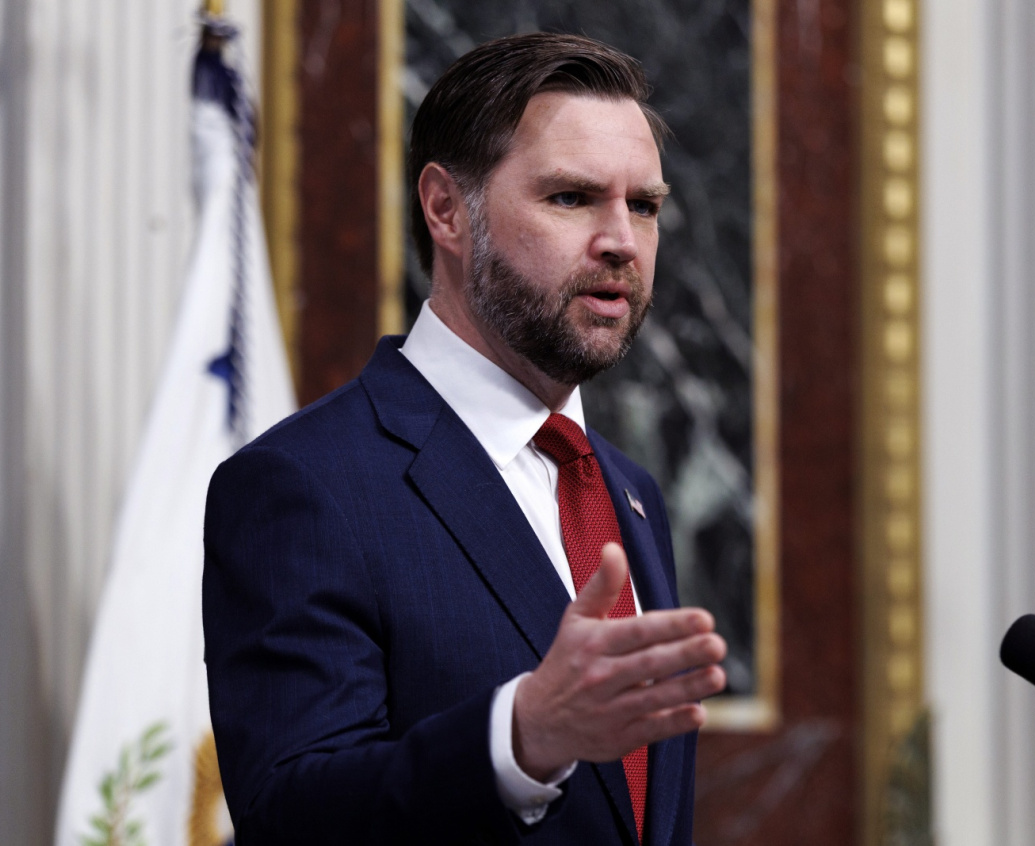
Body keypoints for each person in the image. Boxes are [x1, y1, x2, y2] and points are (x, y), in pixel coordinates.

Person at [203, 32, 727, 845]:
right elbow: (290, 817)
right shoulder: (302, 485)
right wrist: (519, 739)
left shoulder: (630, 493)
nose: (622, 240)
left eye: (645, 206)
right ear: (446, 209)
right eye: (571, 198)